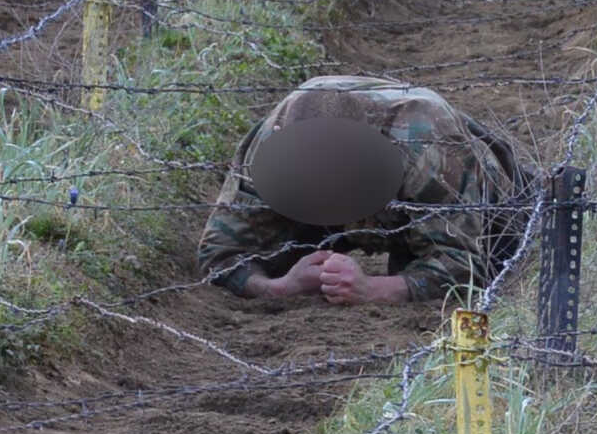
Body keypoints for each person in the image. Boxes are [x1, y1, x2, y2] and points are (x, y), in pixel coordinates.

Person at [196, 75, 530, 305]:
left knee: (494, 269)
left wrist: (375, 289)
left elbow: (465, 266)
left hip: (473, 204)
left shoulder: (429, 150)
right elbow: (219, 255)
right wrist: (280, 287)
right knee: (271, 258)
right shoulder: (270, 150)